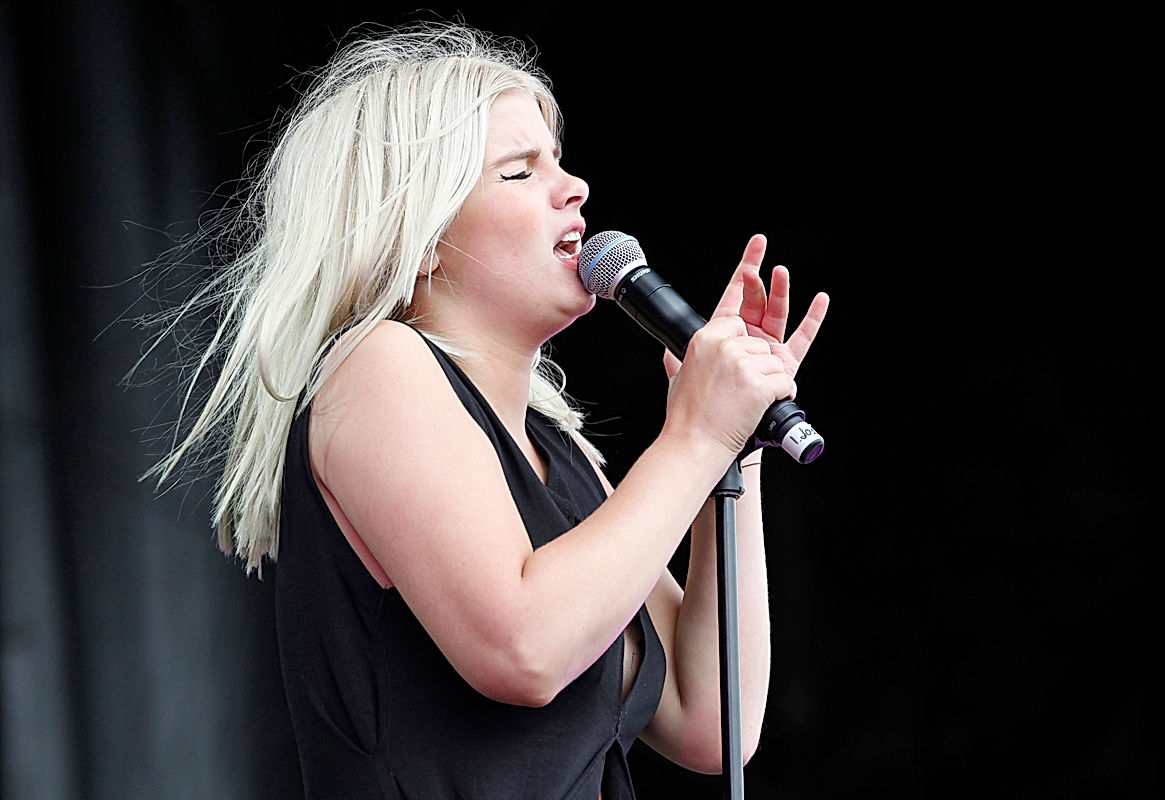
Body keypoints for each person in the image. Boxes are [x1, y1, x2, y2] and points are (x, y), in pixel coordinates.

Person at [145, 21, 829, 800]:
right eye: (519, 171)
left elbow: (712, 722)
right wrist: (693, 436)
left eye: (560, 162)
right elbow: (524, 647)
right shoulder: (377, 367)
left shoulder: (564, 463)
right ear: (423, 236)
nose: (574, 189)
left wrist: (731, 447)